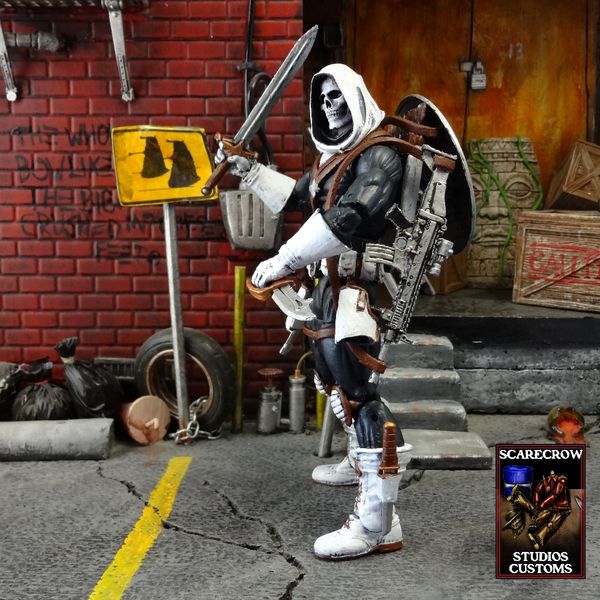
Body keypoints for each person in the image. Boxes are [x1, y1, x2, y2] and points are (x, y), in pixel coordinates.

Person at [219, 63, 412, 560]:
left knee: (360, 394)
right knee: (332, 382)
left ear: (357, 96)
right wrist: (249, 170)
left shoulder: (381, 155)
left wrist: (283, 259)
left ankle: (377, 523)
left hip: (360, 288)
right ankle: (358, 460)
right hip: (328, 283)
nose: (329, 106)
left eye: (337, 95)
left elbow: (352, 216)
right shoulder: (336, 160)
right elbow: (298, 196)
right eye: (322, 98)